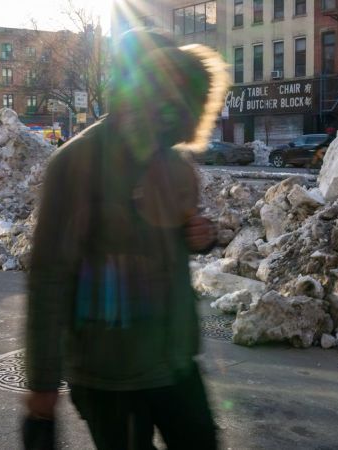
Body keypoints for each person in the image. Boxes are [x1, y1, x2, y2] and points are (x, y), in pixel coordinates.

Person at [24, 30, 229, 450]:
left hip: (174, 360)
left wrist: (201, 236)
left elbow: (177, 236)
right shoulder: (76, 162)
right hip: (109, 374)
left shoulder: (172, 161)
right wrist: (42, 385)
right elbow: (49, 277)